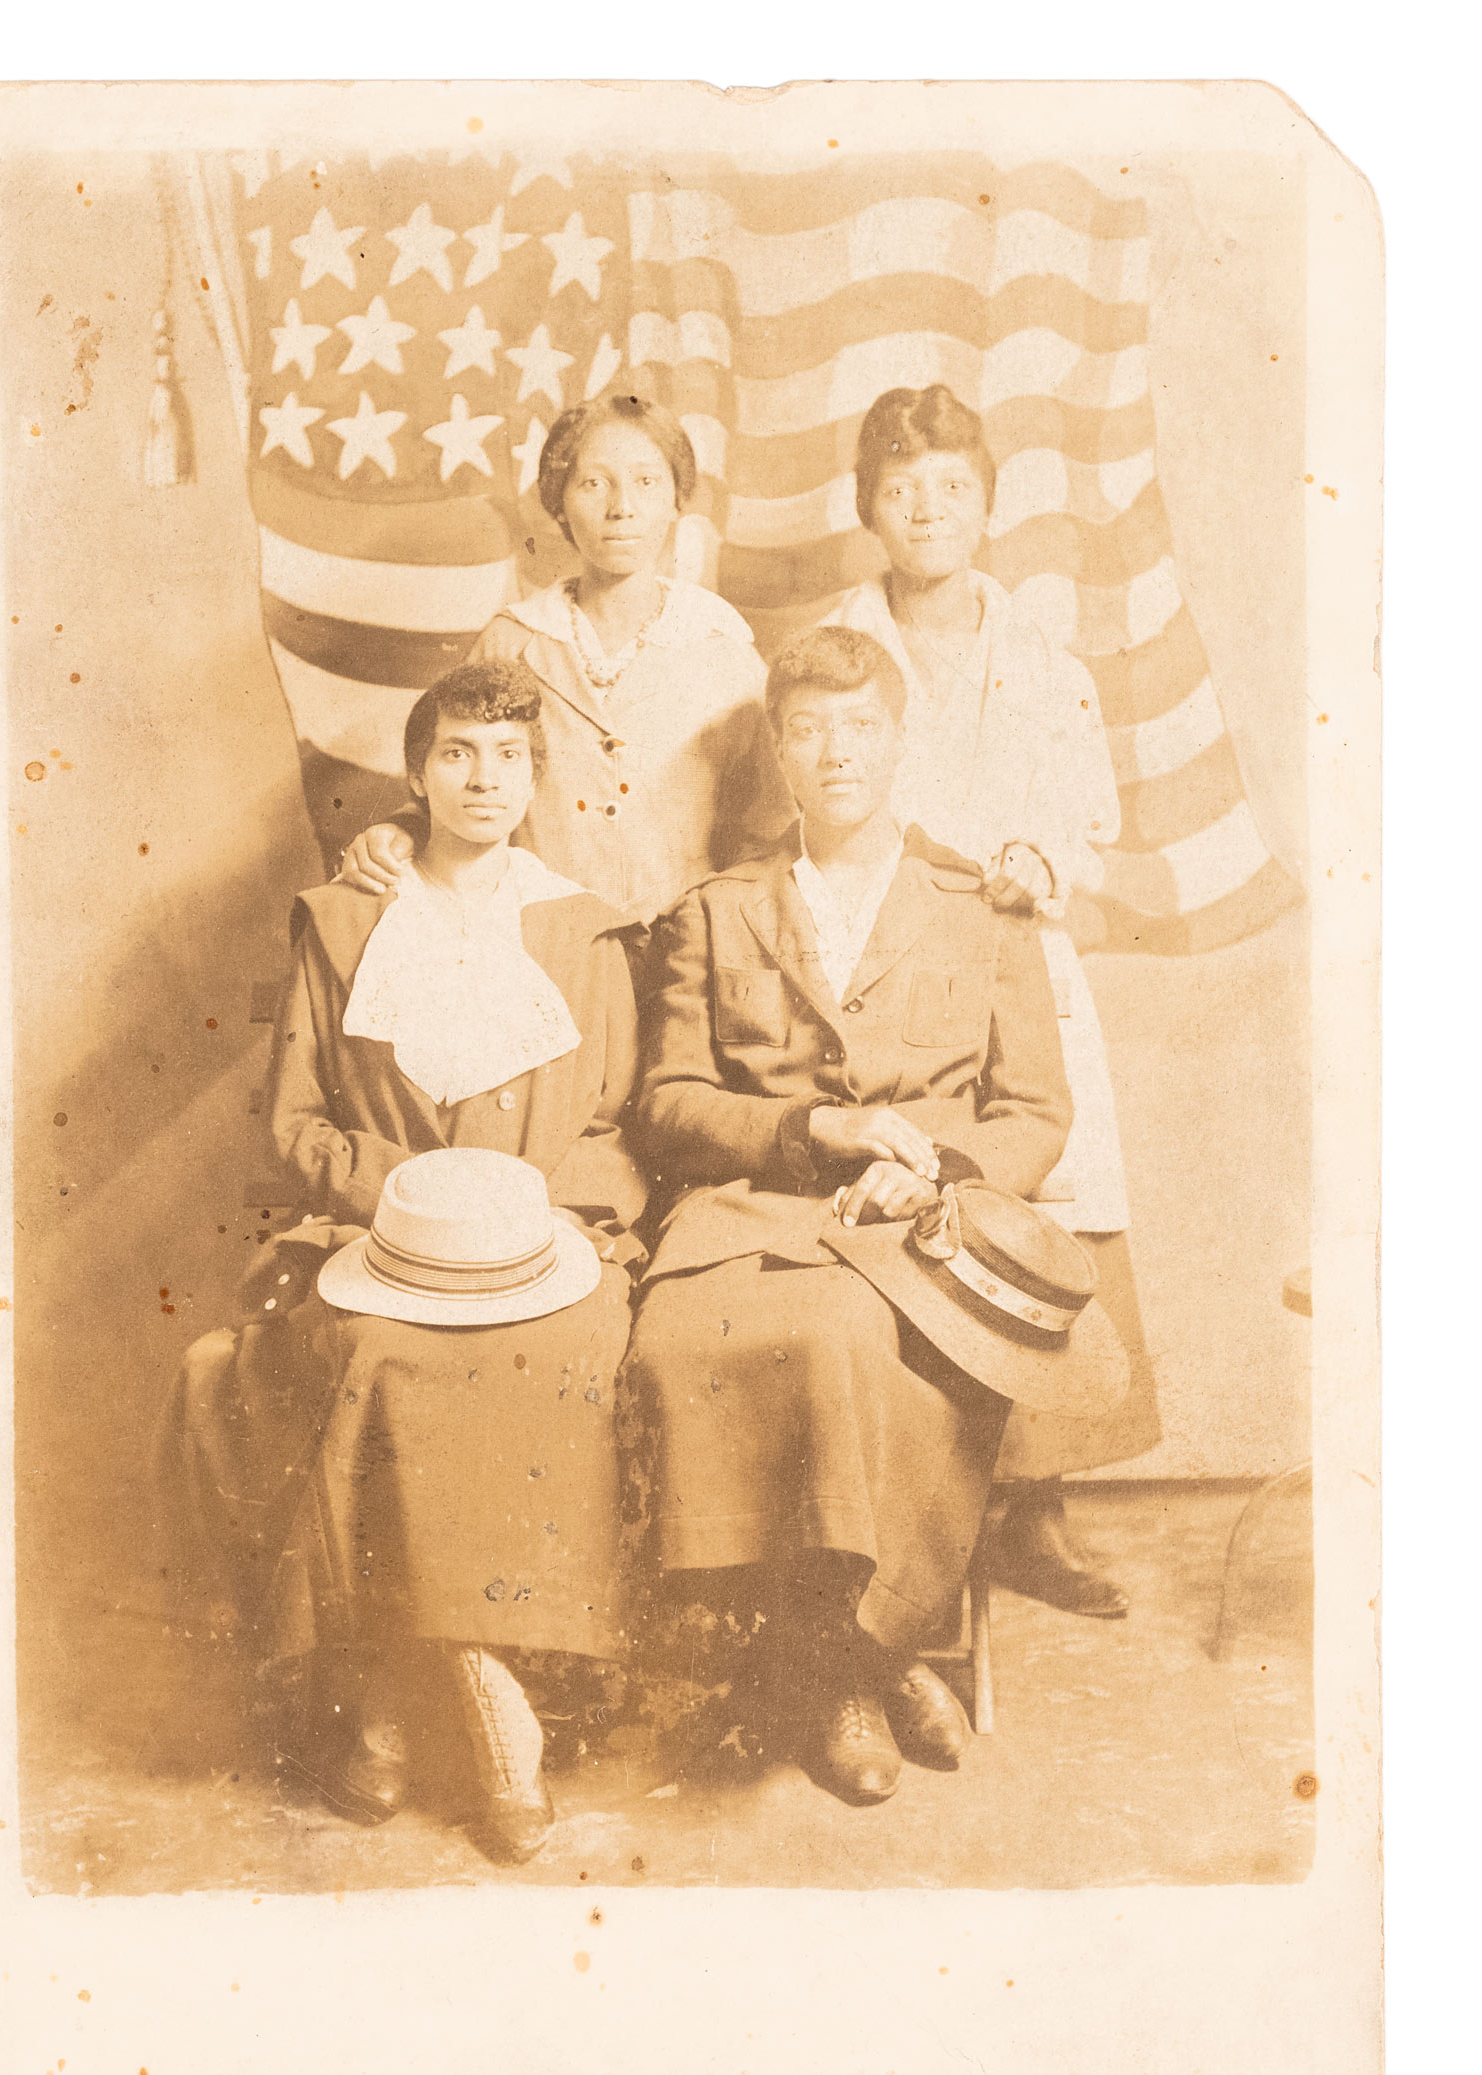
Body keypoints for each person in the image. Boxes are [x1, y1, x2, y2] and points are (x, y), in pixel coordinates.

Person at [162, 661, 647, 1866]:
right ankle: (491, 1716)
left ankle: (388, 1698)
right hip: (375, 1245)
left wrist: (530, 1212)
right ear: (416, 773)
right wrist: (418, 1201)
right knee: (376, 1352)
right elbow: (293, 1125)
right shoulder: (341, 919)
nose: (484, 782)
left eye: (509, 758)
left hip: (546, 1245)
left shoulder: (580, 929)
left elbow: (613, 1126)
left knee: (565, 1350)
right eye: (456, 755)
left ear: (536, 778)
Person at [620, 626, 1075, 1806]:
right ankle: (858, 1662)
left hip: (919, 1234)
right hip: (743, 1213)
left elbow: (1032, 1111)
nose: (834, 753)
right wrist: (807, 1134)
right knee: (685, 1347)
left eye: (859, 726)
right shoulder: (716, 910)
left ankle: (837, 1665)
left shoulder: (980, 905)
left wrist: (939, 1171)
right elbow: (666, 1103)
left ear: (897, 741)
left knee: (850, 1339)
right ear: (776, 747)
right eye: (809, 729)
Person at [822, 384, 1162, 1616]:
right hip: (892, 960)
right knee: (909, 1196)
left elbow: (1088, 824)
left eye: (949, 487)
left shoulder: (1042, 661)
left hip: (1018, 954)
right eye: (900, 488)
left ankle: (1036, 1509)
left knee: (1040, 1198)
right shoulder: (836, 651)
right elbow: (808, 796)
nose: (925, 509)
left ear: (982, 504)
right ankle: (924, 1511)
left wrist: (1040, 866)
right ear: (868, 506)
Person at [333, 392, 792, 930]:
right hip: (539, 943)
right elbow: (458, 784)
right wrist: (403, 830)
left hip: (691, 954)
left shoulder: (721, 648)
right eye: (593, 483)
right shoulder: (513, 642)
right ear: (559, 504)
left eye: (646, 482)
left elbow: (774, 821)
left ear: (676, 500)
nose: (621, 507)